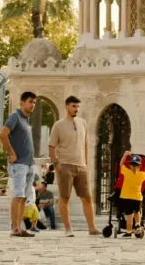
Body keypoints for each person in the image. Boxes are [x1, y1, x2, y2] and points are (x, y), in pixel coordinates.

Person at [48, 95, 98, 237]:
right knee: (65, 198)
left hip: (81, 166)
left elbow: (86, 144)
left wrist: (86, 164)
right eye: (73, 106)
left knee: (87, 198)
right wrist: (56, 164)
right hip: (65, 165)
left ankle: (92, 228)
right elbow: (51, 146)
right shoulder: (58, 125)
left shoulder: (83, 123)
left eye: (78, 106)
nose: (76, 109)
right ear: (67, 107)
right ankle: (68, 229)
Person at [0, 90, 37, 238]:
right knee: (17, 195)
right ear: (22, 103)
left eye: (34, 102)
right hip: (19, 164)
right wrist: (12, 153)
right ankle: (14, 228)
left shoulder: (26, 120)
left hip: (29, 163)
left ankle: (20, 227)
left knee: (24, 197)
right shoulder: (15, 116)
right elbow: (3, 134)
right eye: (30, 102)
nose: (33, 105)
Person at [118, 150, 145, 239]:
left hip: (126, 197)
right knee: (137, 212)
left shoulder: (127, 172)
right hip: (137, 198)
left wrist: (125, 155)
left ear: (130, 165)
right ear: (139, 166)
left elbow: (121, 164)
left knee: (129, 215)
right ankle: (137, 225)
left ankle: (128, 231)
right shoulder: (141, 175)